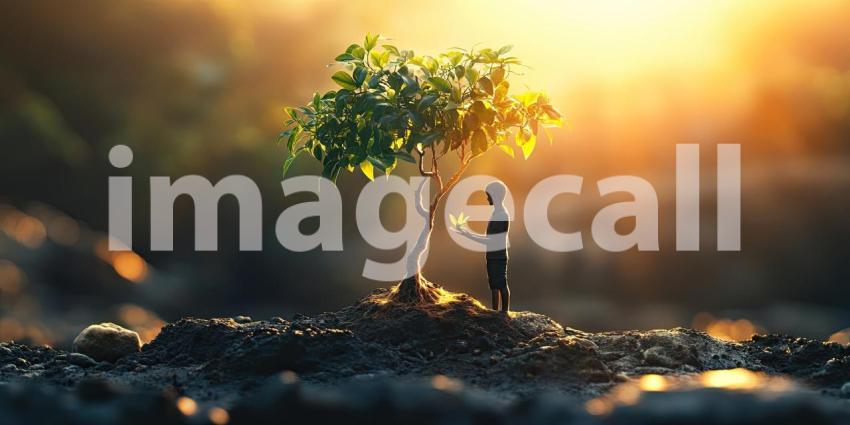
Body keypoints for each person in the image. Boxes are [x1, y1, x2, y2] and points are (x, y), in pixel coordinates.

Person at [452, 181, 511, 312]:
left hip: (498, 256)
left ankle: (504, 312)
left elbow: (490, 240)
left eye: (488, 195)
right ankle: (496, 312)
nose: (487, 198)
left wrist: (467, 234)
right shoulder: (497, 213)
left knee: (500, 283)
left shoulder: (501, 215)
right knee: (494, 284)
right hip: (493, 255)